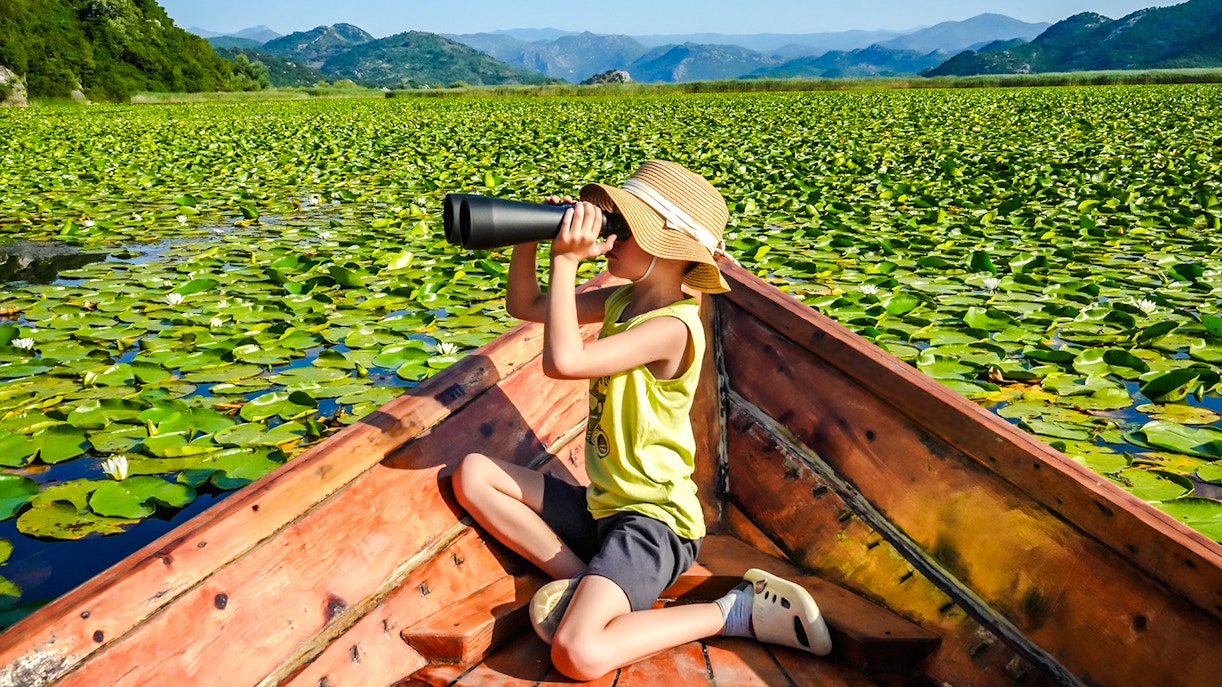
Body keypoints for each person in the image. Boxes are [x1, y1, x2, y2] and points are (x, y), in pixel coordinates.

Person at [452, 160, 831, 681]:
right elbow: (527, 305)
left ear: (669, 247)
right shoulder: (624, 299)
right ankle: (587, 582)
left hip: (655, 523)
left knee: (577, 654)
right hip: (603, 505)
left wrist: (566, 264)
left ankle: (735, 611)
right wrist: (534, 235)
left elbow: (563, 363)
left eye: (622, 229)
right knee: (474, 473)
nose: (609, 239)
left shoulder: (673, 327)